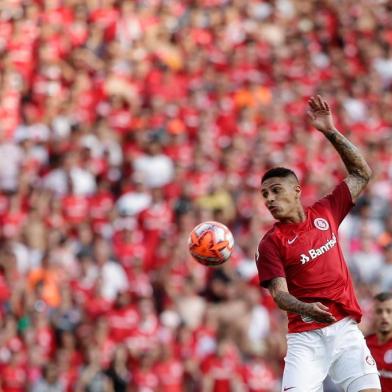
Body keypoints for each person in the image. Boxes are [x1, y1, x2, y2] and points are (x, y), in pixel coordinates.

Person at [255, 96, 380, 392]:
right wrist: (307, 308)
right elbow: (279, 296)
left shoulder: (325, 212)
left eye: (275, 190)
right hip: (305, 339)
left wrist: (330, 131)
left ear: (296, 190)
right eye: (264, 195)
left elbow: (362, 173)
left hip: (345, 331)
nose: (269, 199)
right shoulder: (271, 243)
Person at [366, 292, 392, 391]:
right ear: (372, 315)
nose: (384, 316)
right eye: (379, 311)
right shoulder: (364, 345)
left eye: (389, 311)